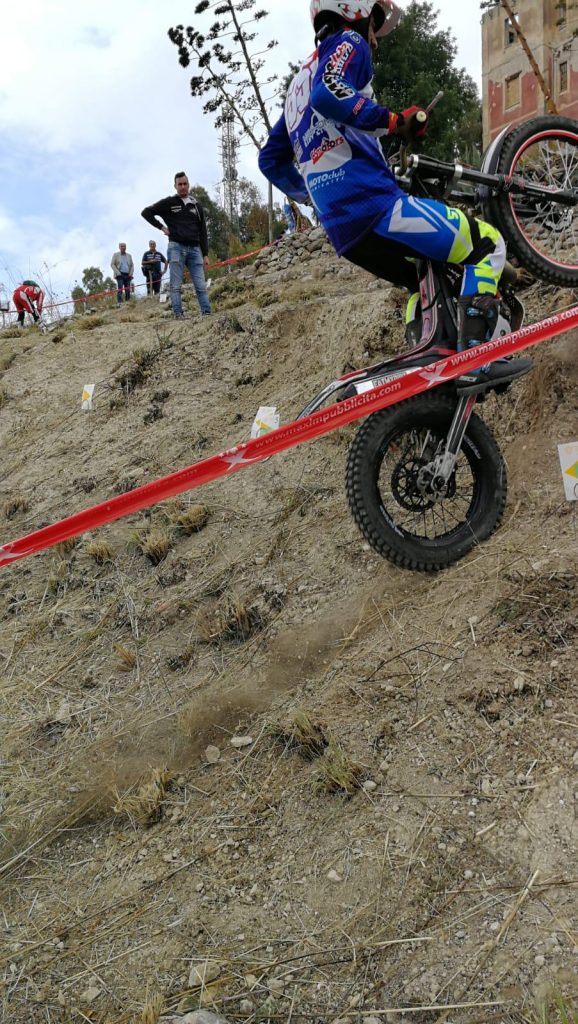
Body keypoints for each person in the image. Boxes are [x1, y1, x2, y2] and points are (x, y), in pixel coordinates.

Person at [258, 0, 531, 392]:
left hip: (343, 230)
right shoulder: (349, 41)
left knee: (423, 276)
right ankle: (478, 357)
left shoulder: (296, 87)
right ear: (355, 9)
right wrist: (393, 121)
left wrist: (314, 194)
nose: (374, 38)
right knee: (486, 243)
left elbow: (270, 159)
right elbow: (328, 95)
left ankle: (427, 353)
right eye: (375, 23)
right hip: (374, 204)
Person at [141, 173, 212, 318]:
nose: (183, 187)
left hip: (195, 249)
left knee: (200, 285)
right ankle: (178, 314)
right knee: (175, 285)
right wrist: (162, 227)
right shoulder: (169, 202)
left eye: (185, 184)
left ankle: (207, 312)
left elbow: (203, 231)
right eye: (180, 184)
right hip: (176, 248)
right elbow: (146, 212)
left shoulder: (196, 205)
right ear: (175, 186)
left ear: (188, 185)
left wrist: (205, 254)